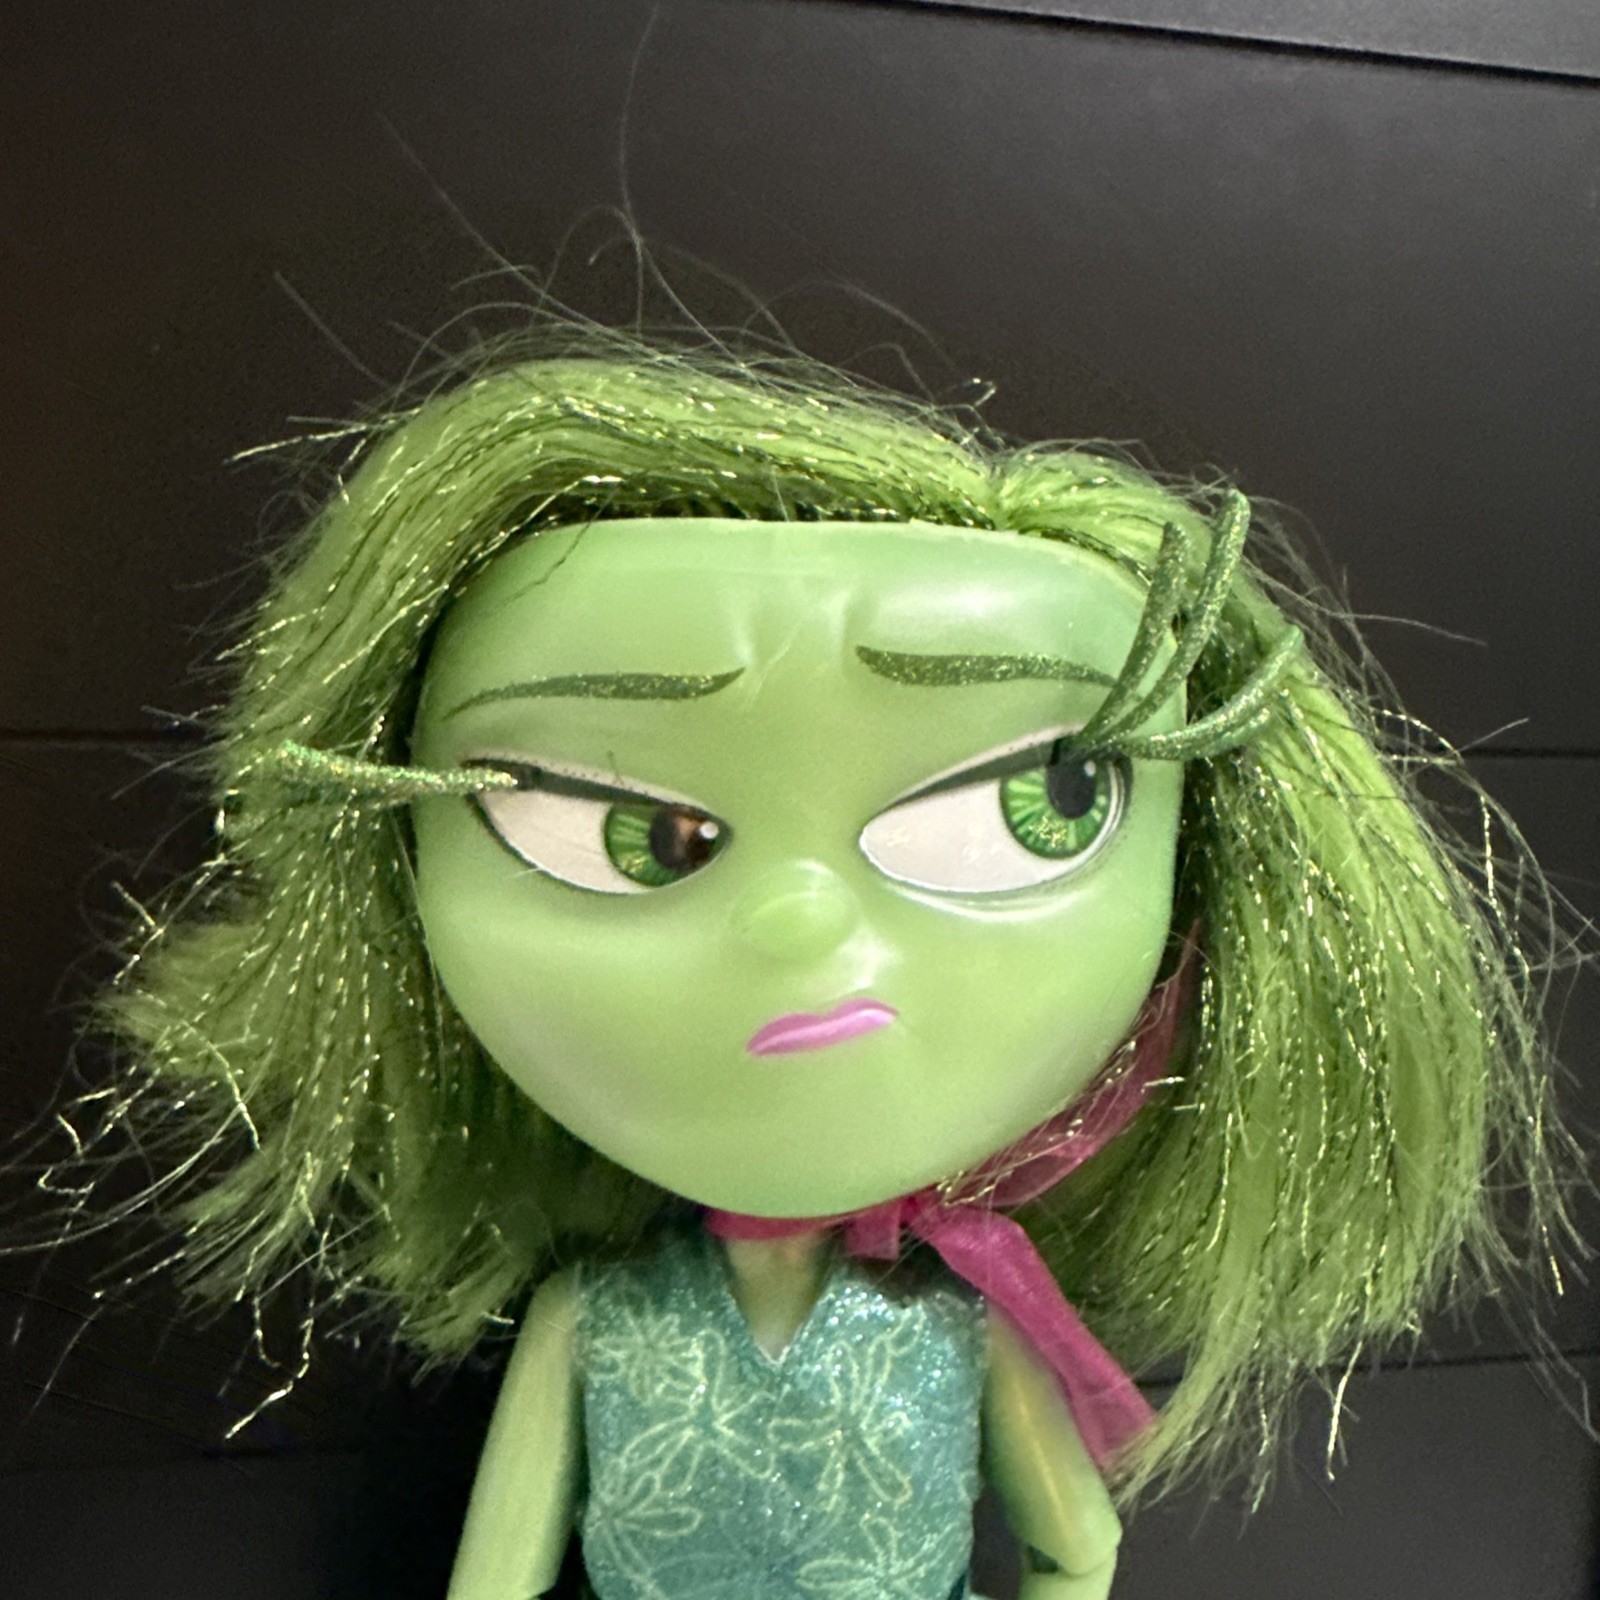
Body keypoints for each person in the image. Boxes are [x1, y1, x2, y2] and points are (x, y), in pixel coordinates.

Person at [86, 326, 1571, 1599]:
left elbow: (1076, 1547)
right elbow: (500, 1574)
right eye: (629, 833)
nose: (798, 923)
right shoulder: (599, 1318)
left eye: (1030, 809)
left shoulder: (952, 1322)